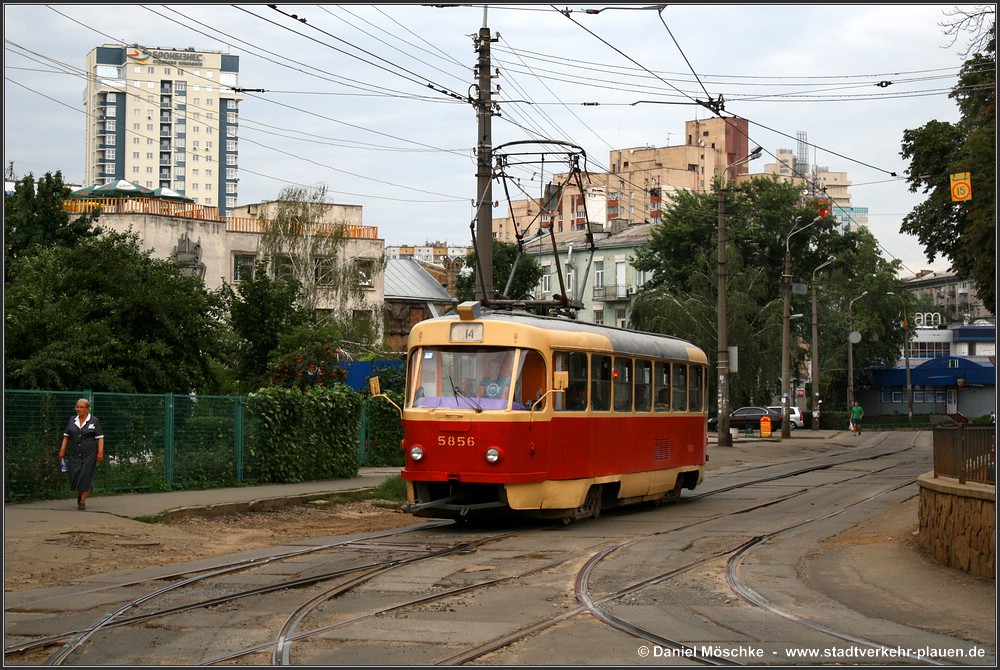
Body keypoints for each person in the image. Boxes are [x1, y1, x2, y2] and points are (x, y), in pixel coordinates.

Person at [58, 398, 104, 510]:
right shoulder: (72, 420)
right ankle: (86, 489)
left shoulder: (94, 421)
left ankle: (82, 501)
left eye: (81, 407)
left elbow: (100, 438)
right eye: (77, 407)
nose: (78, 409)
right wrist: (62, 450)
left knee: (85, 475)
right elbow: (66, 436)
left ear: (88, 409)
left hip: (89, 453)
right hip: (74, 453)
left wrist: (100, 452)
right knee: (74, 475)